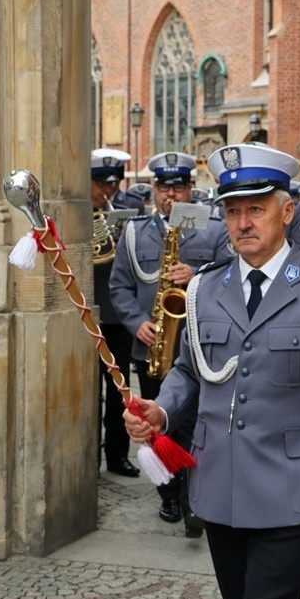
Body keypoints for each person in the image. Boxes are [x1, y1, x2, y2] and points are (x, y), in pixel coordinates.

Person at [123, 142, 300, 599]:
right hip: (218, 484)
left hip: (292, 487)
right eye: (233, 211)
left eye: (256, 209)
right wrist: (162, 409)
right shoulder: (204, 289)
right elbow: (190, 370)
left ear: (287, 211)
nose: (243, 222)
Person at [109, 151, 230, 532]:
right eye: (164, 187)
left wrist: (197, 272)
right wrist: (136, 322)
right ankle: (168, 496)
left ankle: (193, 497)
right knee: (155, 423)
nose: (171, 194)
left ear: (190, 189)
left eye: (179, 186)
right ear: (154, 189)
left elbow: (232, 274)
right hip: (152, 346)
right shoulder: (134, 231)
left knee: (194, 423)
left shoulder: (212, 228)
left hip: (196, 344)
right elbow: (120, 287)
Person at [91, 150, 140, 477]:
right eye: (101, 184)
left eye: (113, 184)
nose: (108, 191)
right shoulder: (74, 215)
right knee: (89, 394)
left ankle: (118, 455)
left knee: (119, 391)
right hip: (89, 315)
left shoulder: (124, 215)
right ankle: (89, 456)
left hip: (119, 316)